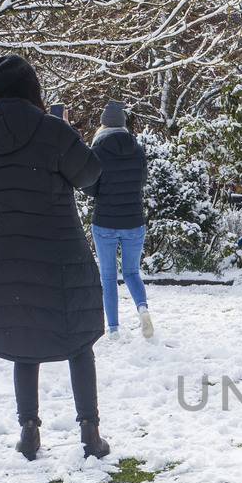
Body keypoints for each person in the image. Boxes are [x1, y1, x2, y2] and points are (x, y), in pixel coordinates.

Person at [0, 53, 111, 460]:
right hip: (59, 248)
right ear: (32, 86)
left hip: (6, 249)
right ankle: (90, 432)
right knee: (79, 340)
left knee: (22, 336)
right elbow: (88, 174)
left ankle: (29, 429)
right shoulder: (52, 130)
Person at [87, 102, 153, 339]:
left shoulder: (98, 150)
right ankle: (142, 308)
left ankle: (114, 329)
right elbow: (141, 182)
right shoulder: (137, 149)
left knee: (108, 276)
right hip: (134, 221)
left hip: (105, 221)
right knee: (132, 272)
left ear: (103, 124)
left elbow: (89, 186)